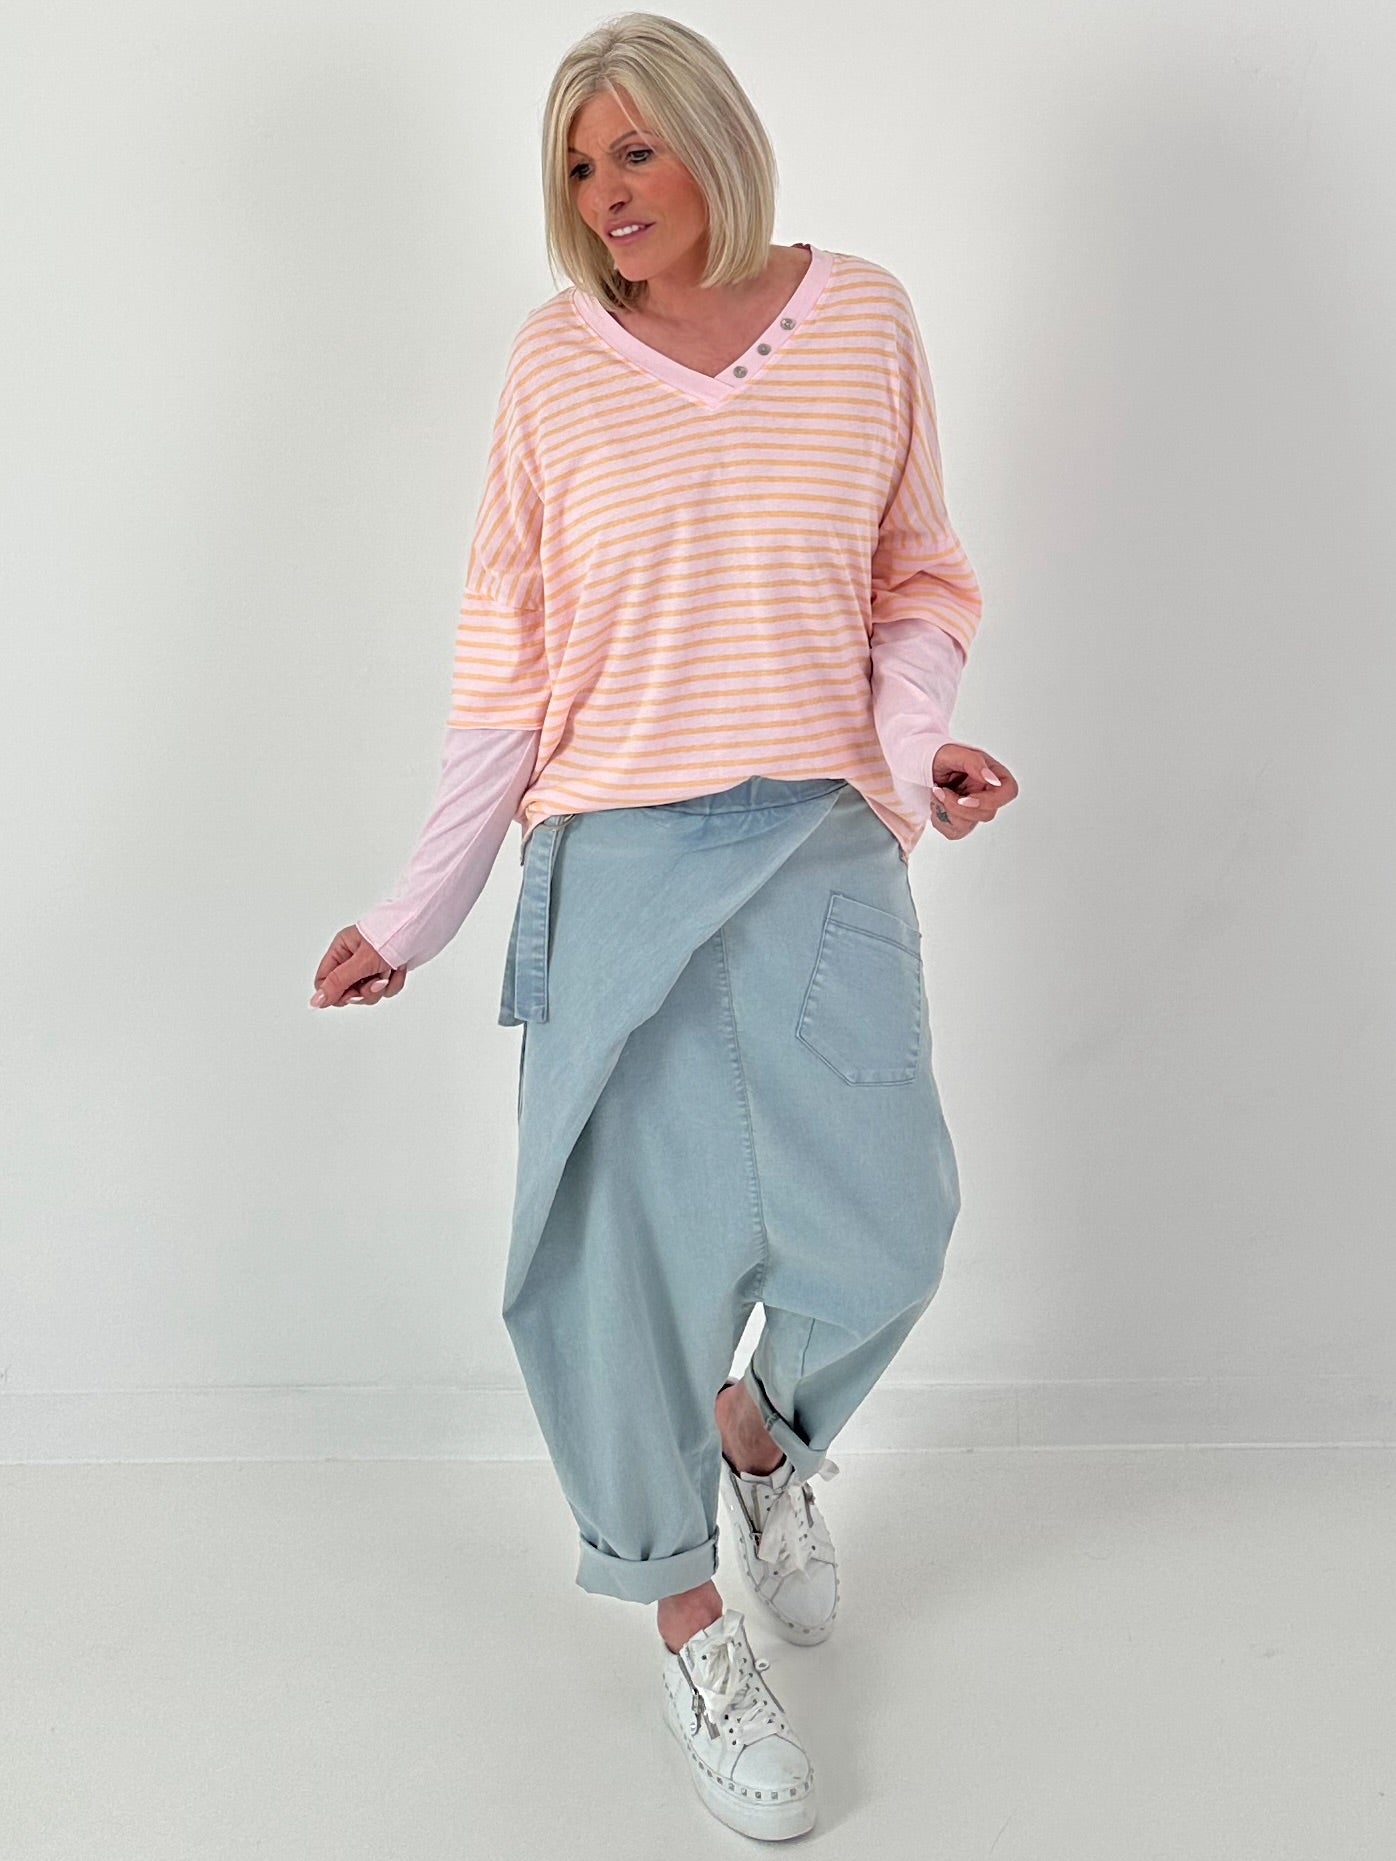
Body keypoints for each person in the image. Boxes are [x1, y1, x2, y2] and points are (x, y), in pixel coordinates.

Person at [310, 11, 1017, 1841]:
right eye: (578, 164)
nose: (607, 192)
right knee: (613, 1262)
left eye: (634, 148)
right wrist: (419, 906)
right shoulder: (553, 366)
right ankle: (692, 1624)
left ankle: (761, 1437)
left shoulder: (862, 320)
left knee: (894, 1224)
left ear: (715, 139)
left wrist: (919, 755)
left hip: (821, 842)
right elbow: (508, 663)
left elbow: (916, 579)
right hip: (613, 853)